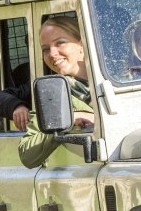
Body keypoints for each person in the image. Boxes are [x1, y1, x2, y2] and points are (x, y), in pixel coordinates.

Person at [17, 14, 96, 168]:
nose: (52, 54)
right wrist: (64, 122)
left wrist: (95, 119)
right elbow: (27, 155)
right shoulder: (52, 93)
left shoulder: (118, 77)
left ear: (82, 44)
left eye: (60, 43)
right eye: (45, 49)